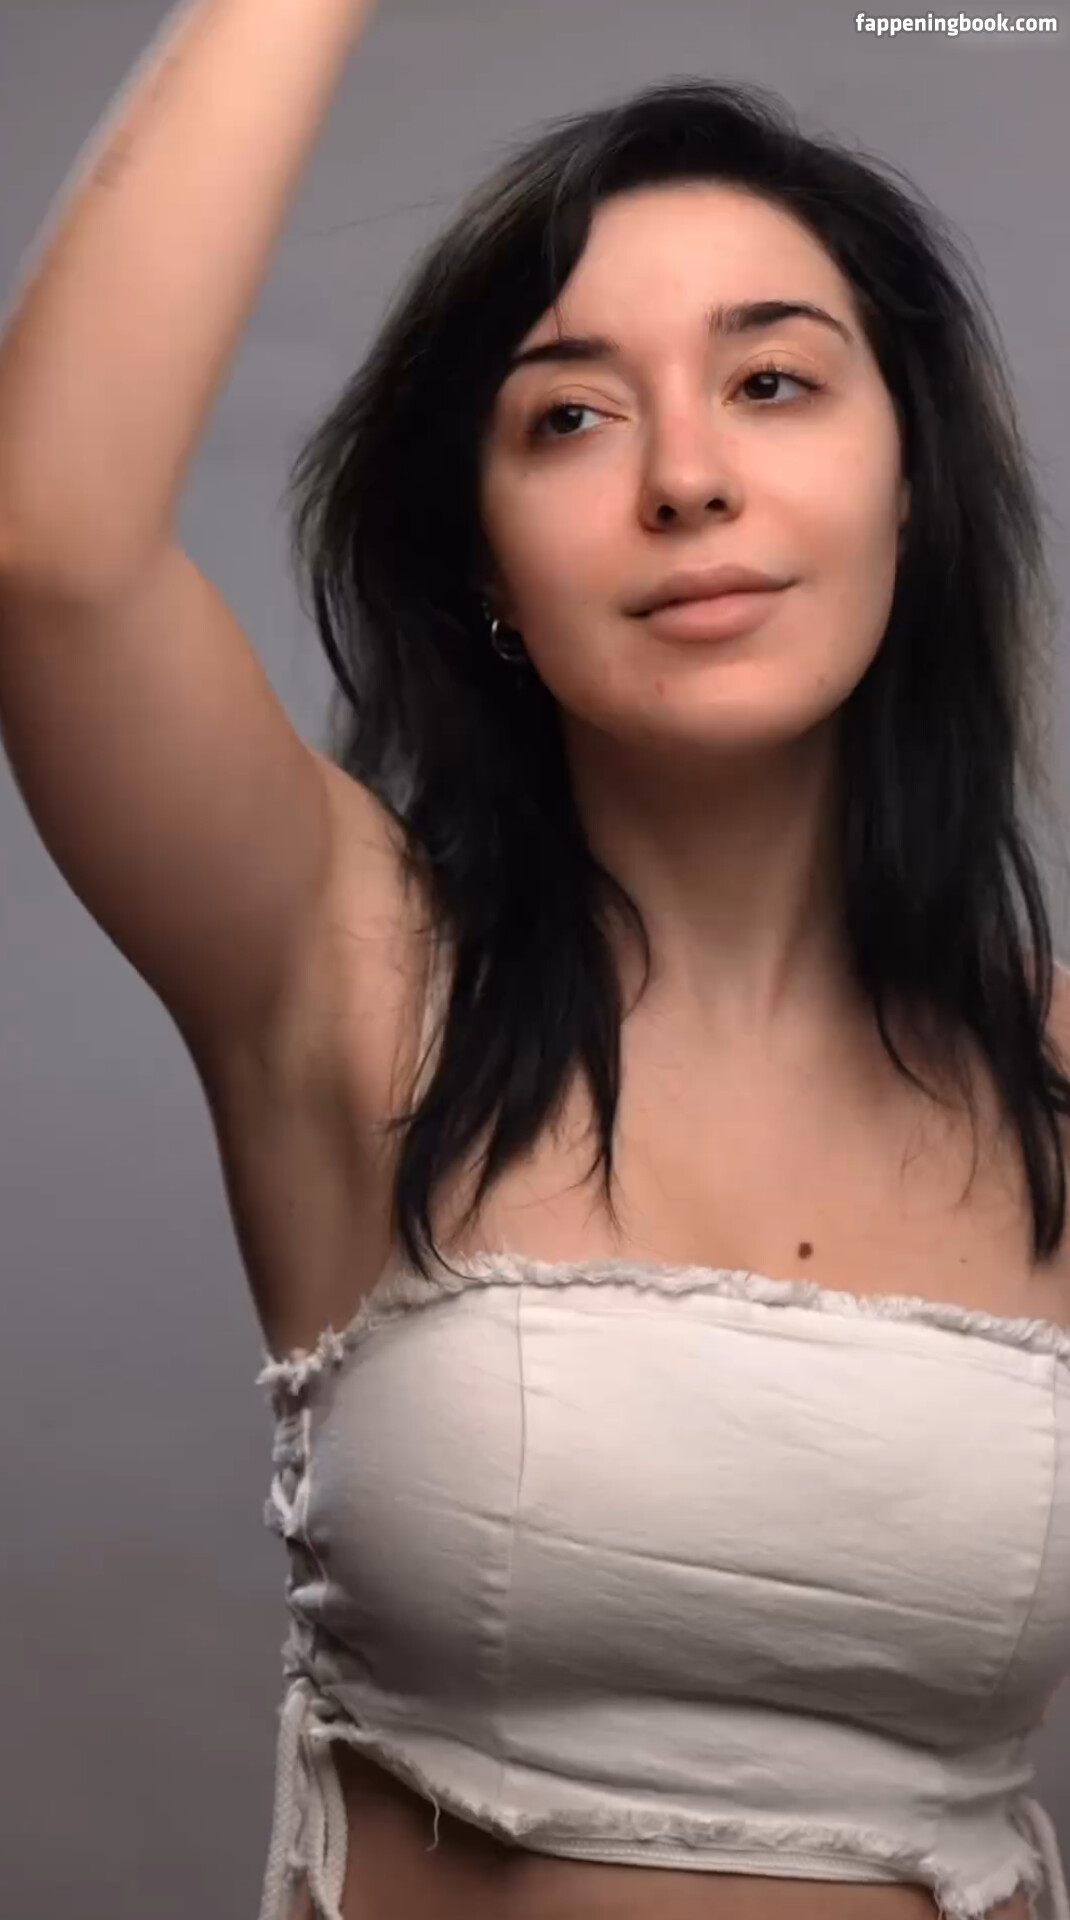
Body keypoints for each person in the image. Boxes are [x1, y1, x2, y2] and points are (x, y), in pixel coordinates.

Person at [0, 4, 1068, 1919]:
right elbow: (48, 550)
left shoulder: (1052, 1081)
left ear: (908, 478)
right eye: (570, 415)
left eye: (772, 382)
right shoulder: (349, 971)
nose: (685, 478)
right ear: (484, 564)